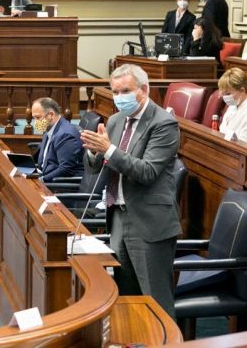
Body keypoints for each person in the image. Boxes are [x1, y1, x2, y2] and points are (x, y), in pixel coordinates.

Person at [80, 63, 181, 318]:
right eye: (115, 91)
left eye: (125, 90)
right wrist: (94, 151)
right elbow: (96, 168)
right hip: (118, 218)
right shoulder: (115, 120)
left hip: (149, 224)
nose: (119, 97)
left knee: (155, 300)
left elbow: (147, 172)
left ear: (143, 90)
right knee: (127, 299)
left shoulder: (164, 123)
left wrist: (108, 150)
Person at [32, 97, 84, 182]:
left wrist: (41, 180)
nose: (35, 122)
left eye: (38, 118)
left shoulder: (65, 135)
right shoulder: (48, 130)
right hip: (47, 176)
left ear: (51, 115)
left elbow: (65, 169)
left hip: (61, 186)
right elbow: (44, 160)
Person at [217, 68, 247, 141]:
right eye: (223, 94)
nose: (225, 97)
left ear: (242, 90)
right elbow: (222, 129)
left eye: (228, 93)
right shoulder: (233, 105)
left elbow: (243, 141)